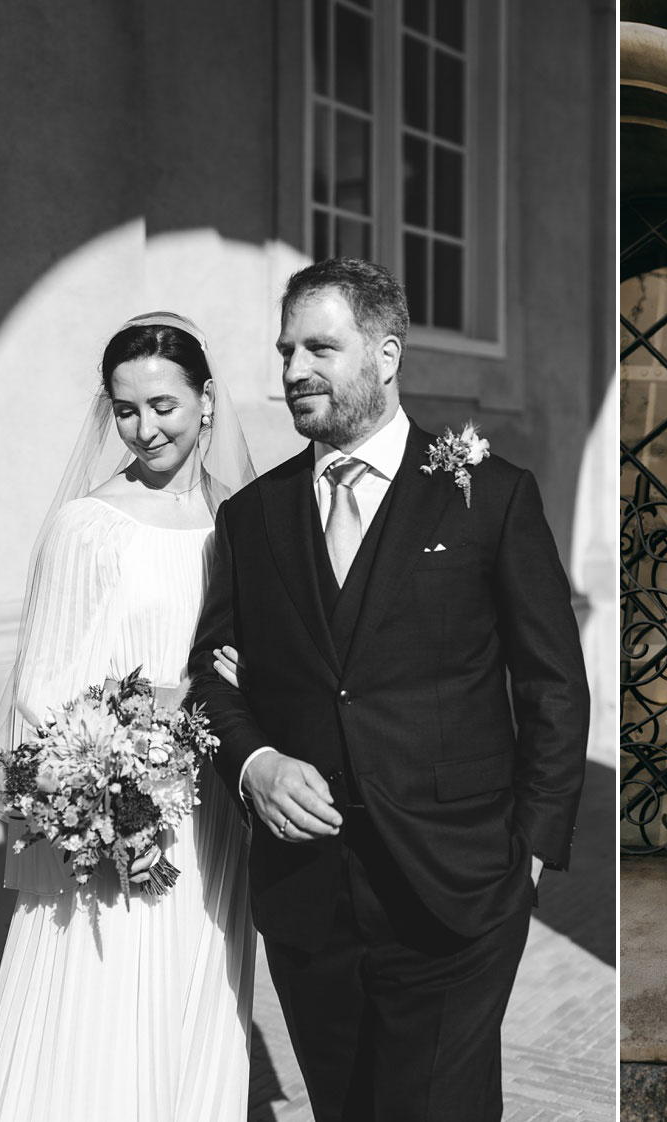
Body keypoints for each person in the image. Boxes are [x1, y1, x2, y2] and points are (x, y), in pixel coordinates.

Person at [187, 258, 589, 1122]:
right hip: (307, 900)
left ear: (387, 354)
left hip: (458, 888)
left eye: (320, 348)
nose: (293, 370)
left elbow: (553, 681)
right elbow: (209, 680)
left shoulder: (490, 496)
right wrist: (253, 763)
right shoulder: (252, 518)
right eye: (286, 349)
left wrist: (529, 848)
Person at [0, 313, 257, 1120]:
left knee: (191, 998)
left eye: (163, 404)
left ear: (206, 402)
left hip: (215, 815)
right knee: (106, 999)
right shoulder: (86, 527)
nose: (145, 427)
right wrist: (115, 769)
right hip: (128, 809)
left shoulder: (243, 517)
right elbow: (42, 688)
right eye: (126, 410)